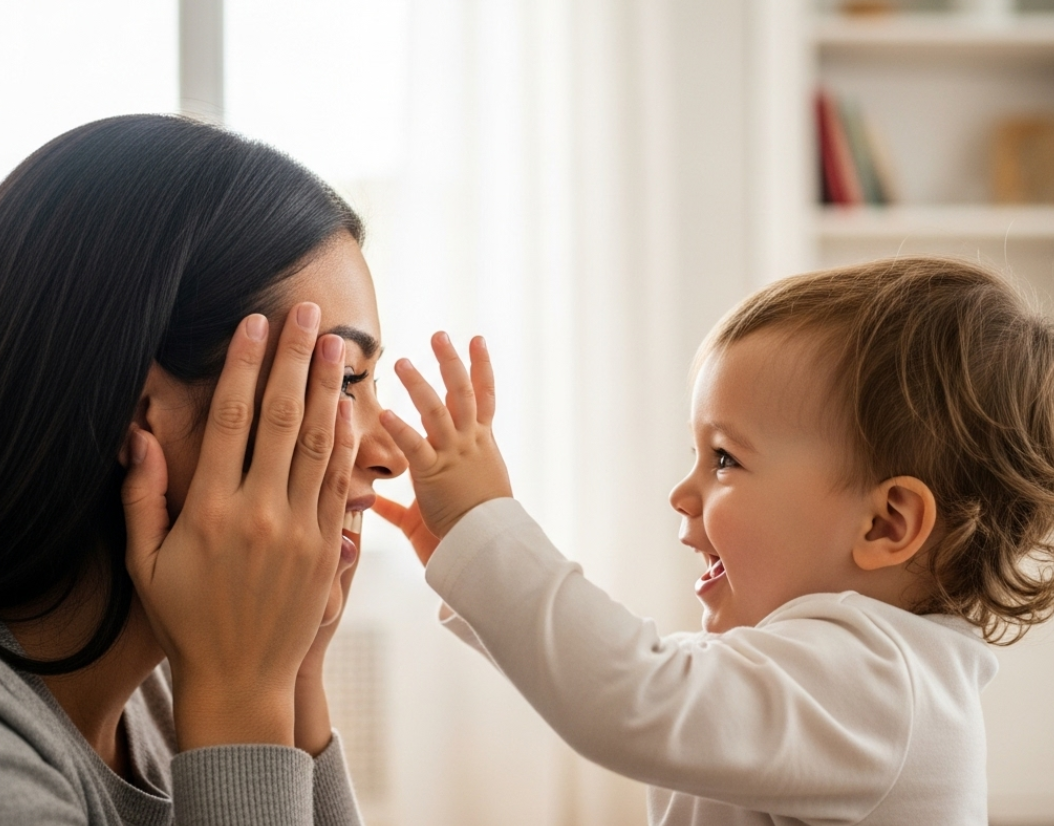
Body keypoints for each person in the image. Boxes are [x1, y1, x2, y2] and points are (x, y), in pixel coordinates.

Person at [377, 256, 1054, 825]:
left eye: (725, 458)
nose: (683, 492)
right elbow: (623, 680)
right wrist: (473, 573)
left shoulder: (882, 684)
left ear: (885, 524)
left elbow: (630, 693)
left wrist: (486, 528)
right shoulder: (833, 671)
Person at [0, 114, 406, 824]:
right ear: (143, 412)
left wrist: (293, 680)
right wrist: (242, 697)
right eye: (341, 380)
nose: (389, 455)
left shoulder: (156, 695)